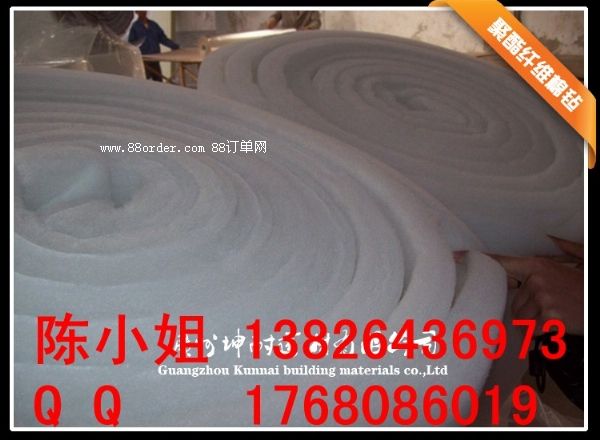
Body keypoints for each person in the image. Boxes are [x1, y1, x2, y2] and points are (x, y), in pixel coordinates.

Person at [128, 11, 180, 82]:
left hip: (155, 59)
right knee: (145, 82)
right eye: (140, 10)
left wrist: (174, 46)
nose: (143, 12)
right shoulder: (135, 26)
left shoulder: (153, 25)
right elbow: (131, 44)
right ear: (137, 12)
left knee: (158, 81)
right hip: (144, 60)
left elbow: (163, 38)